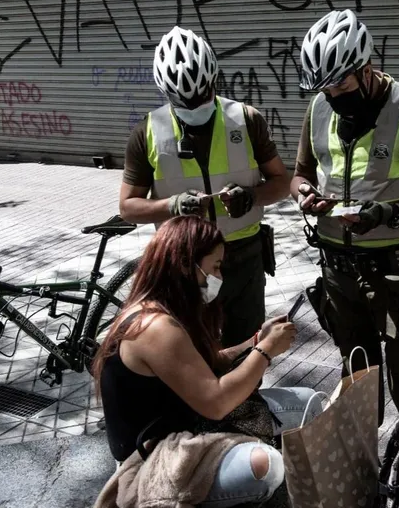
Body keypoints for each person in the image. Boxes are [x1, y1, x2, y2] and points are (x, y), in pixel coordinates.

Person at [290, 9, 399, 421]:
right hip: (340, 277)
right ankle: (366, 473)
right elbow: (299, 176)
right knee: (358, 381)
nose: (333, 95)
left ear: (366, 69)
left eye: (341, 84)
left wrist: (390, 212)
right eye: (324, 88)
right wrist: (305, 196)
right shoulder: (318, 108)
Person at [93, 216, 321, 508]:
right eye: (214, 267)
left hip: (189, 425)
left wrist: (253, 342)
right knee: (266, 467)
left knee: (309, 402)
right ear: (186, 265)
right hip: (154, 456)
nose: (219, 276)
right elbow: (216, 402)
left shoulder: (165, 310)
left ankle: (316, 490)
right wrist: (264, 351)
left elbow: (207, 364)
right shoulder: (156, 328)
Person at [119, 26, 290, 347]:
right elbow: (128, 207)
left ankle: (247, 398)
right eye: (183, 102)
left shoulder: (247, 119)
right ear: (165, 92)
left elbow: (282, 183)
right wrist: (173, 206)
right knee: (191, 353)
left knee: (248, 346)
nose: (195, 107)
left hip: (243, 257)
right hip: (184, 262)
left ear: (213, 81)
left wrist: (252, 196)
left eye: (201, 97)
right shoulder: (147, 132)